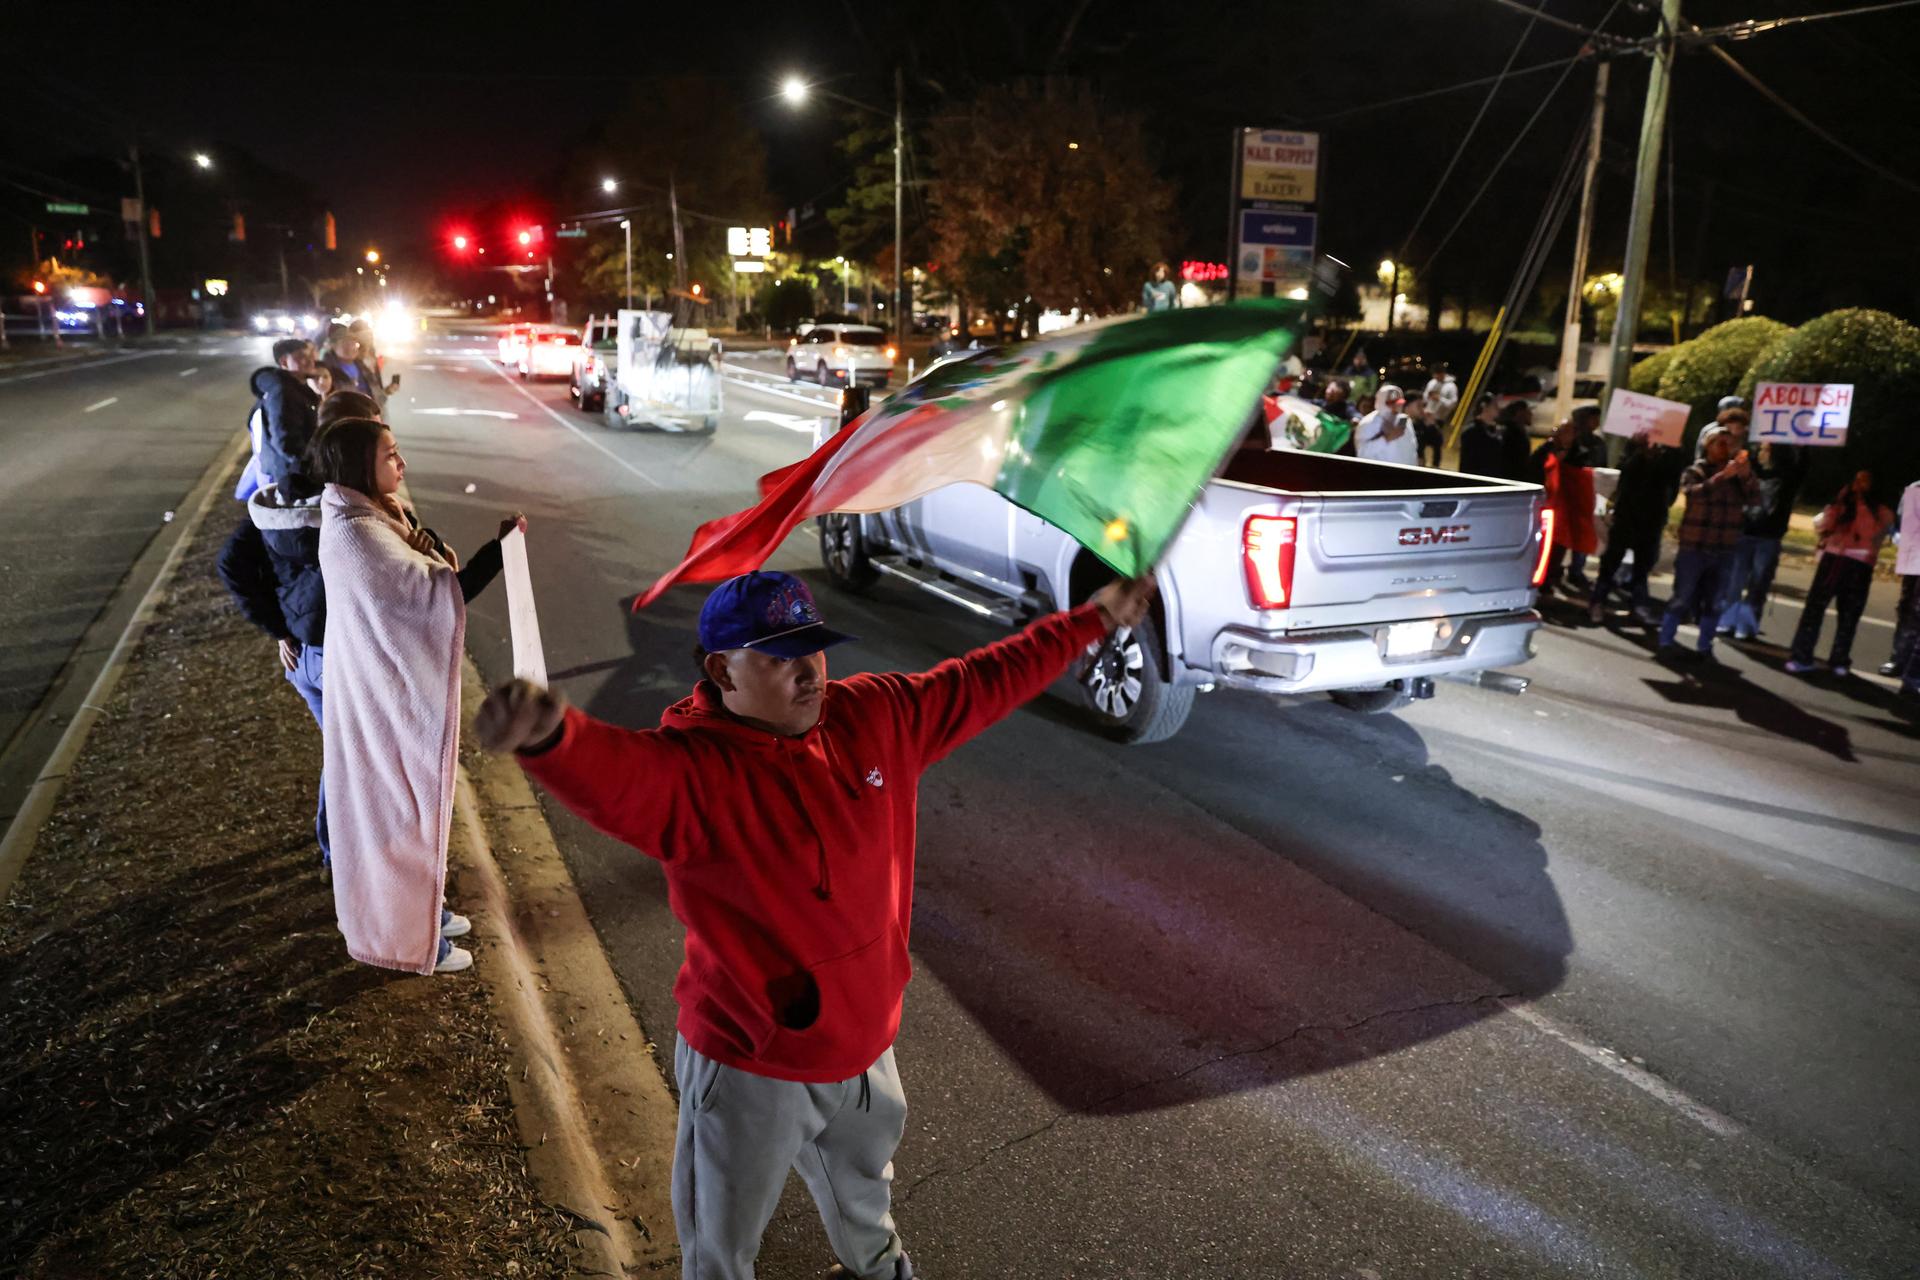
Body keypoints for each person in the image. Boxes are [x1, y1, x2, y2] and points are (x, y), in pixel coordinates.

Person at [474, 569, 1157, 1280]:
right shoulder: (695, 775)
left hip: (866, 1052)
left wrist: (1093, 619)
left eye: (816, 648)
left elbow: (989, 677)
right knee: (721, 1247)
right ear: (721, 670)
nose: (809, 674)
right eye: (779, 656)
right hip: (750, 1068)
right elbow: (620, 775)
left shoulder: (878, 717)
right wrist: (553, 736)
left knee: (866, 1202)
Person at [310, 416, 523, 974]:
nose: (401, 464)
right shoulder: (359, 533)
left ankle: (423, 913)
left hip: (381, 693)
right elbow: (430, 597)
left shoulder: (375, 513)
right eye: (390, 454)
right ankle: (406, 938)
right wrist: (495, 555)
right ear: (361, 464)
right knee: (397, 814)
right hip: (381, 702)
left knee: (407, 811)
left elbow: (425, 578)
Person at [1656, 426, 1757, 662]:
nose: (1725, 447)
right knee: (1682, 596)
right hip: (1695, 546)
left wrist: (1745, 476)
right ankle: (1666, 641)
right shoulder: (1696, 470)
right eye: (1719, 442)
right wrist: (1724, 476)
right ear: (1707, 446)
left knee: (1714, 601)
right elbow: (1694, 493)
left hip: (1724, 548)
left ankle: (1705, 646)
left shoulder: (1738, 475)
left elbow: (1754, 499)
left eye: (1728, 443)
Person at [1785, 471, 1894, 678]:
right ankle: (1801, 655)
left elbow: (1871, 534)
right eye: (1856, 480)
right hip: (1833, 558)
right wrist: (1837, 505)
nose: (1859, 484)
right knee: (1814, 609)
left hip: (1859, 564)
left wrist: (1860, 504)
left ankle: (1840, 659)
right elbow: (1824, 526)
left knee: (1849, 615)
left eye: (1865, 480)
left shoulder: (1882, 511)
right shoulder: (1843, 502)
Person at [1715, 442, 1804, 640]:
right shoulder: (1752, 471)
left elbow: (1801, 468)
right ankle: (1727, 620)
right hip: (1745, 532)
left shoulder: (1787, 478)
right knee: (1734, 581)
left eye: (1765, 449)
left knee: (1758, 582)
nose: (1761, 453)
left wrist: (1803, 446)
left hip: (1768, 537)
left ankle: (1746, 625)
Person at [1587, 431, 1669, 625]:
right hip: (1626, 519)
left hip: (1651, 522)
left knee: (1642, 568)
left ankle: (1638, 606)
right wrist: (1640, 453)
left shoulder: (1668, 458)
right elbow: (1623, 477)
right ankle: (1598, 602)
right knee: (1610, 564)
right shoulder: (1632, 455)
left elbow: (1670, 486)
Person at [1883, 478, 1920, 677]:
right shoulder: (1916, 489)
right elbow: (1900, 523)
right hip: (1915, 556)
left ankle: (1913, 669)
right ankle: (1898, 658)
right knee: (1907, 607)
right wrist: (1899, 536)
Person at [1355, 383, 1417, 465]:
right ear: (1381, 402)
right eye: (1391, 403)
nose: (1395, 406)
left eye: (1399, 402)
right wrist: (1386, 438)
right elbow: (1362, 453)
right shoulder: (1367, 422)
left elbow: (1412, 448)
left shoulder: (1404, 420)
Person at [1407, 393, 1443, 468]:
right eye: (1418, 406)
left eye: (1423, 406)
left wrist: (1432, 426)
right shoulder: (1399, 422)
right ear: (1407, 407)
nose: (1422, 409)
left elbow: (1437, 443)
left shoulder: (1420, 424)